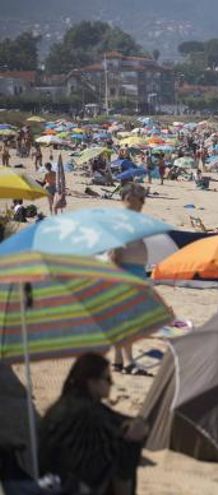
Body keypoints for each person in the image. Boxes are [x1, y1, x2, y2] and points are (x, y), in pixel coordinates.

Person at [39, 353, 148, 494]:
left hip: (51, 483)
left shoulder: (62, 405)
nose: (112, 383)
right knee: (126, 447)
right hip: (76, 486)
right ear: (91, 382)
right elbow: (121, 430)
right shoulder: (88, 413)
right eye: (107, 378)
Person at [108, 184, 151, 376]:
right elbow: (114, 251)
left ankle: (118, 360)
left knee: (123, 320)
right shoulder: (123, 220)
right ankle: (129, 361)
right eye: (140, 197)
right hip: (125, 273)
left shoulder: (132, 219)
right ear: (128, 198)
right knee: (128, 321)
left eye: (143, 198)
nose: (143, 202)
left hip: (134, 271)